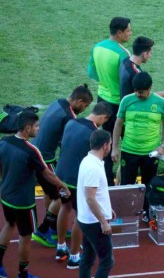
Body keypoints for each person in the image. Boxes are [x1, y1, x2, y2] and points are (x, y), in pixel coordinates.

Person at [0, 111, 70, 278]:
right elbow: (47, 174)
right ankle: (23, 274)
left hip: (6, 196)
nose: (39, 129)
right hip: (23, 202)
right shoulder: (31, 151)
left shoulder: (4, 142)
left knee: (9, 225)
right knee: (25, 237)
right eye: (37, 126)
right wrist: (63, 186)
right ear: (27, 128)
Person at [32, 84, 93, 247]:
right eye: (85, 106)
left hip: (36, 152)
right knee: (63, 193)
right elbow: (70, 142)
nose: (84, 109)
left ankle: (54, 225)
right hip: (45, 158)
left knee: (50, 192)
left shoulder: (58, 102)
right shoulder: (70, 116)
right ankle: (44, 230)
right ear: (79, 101)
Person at [54, 102, 113, 269]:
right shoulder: (94, 134)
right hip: (75, 180)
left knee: (64, 208)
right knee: (81, 216)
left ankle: (60, 247)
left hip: (61, 175)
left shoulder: (71, 122)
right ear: (104, 117)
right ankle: (74, 256)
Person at [112, 72, 164, 220]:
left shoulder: (160, 102)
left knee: (149, 184)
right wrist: (114, 148)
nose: (138, 95)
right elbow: (118, 124)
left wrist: (163, 145)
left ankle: (147, 211)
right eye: (136, 91)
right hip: (129, 151)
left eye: (142, 92)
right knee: (127, 185)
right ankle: (127, 213)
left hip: (150, 153)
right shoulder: (127, 100)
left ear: (150, 88)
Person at [88, 16, 132, 185]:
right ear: (119, 32)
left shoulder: (97, 47)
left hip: (102, 100)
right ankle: (126, 184)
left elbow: (92, 73)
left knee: (105, 143)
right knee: (127, 145)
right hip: (118, 103)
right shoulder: (123, 54)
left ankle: (106, 181)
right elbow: (127, 82)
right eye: (128, 30)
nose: (130, 33)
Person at [77, 130, 114, 278]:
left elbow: (97, 194)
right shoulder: (93, 167)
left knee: (88, 257)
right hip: (94, 223)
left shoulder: (88, 160)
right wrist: (103, 222)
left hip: (86, 219)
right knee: (107, 261)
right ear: (105, 146)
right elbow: (90, 198)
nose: (111, 146)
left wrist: (107, 209)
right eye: (110, 144)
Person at [119, 36, 164, 100]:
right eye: (150, 53)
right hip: (133, 108)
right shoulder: (136, 73)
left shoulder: (125, 61)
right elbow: (149, 97)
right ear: (145, 54)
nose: (150, 56)